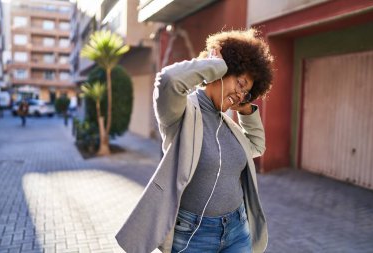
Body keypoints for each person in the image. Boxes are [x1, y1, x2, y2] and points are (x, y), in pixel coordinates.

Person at [116, 29, 274, 253]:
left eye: (246, 92)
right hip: (194, 234)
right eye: (240, 83)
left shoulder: (227, 124)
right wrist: (217, 66)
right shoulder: (182, 112)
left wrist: (246, 108)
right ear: (224, 69)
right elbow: (169, 80)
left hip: (237, 228)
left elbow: (256, 146)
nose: (240, 94)